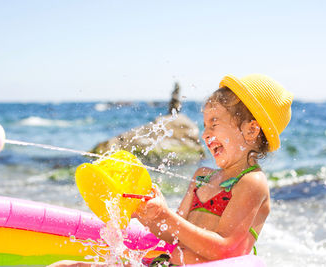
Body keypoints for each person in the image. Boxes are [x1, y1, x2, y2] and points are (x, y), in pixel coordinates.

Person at [48, 74, 293, 266]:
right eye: (204, 125)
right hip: (168, 263)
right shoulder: (202, 177)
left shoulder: (251, 182)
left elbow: (225, 249)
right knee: (64, 265)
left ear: (251, 131)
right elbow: (173, 236)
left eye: (214, 123)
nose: (205, 134)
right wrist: (149, 213)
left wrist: (166, 217)